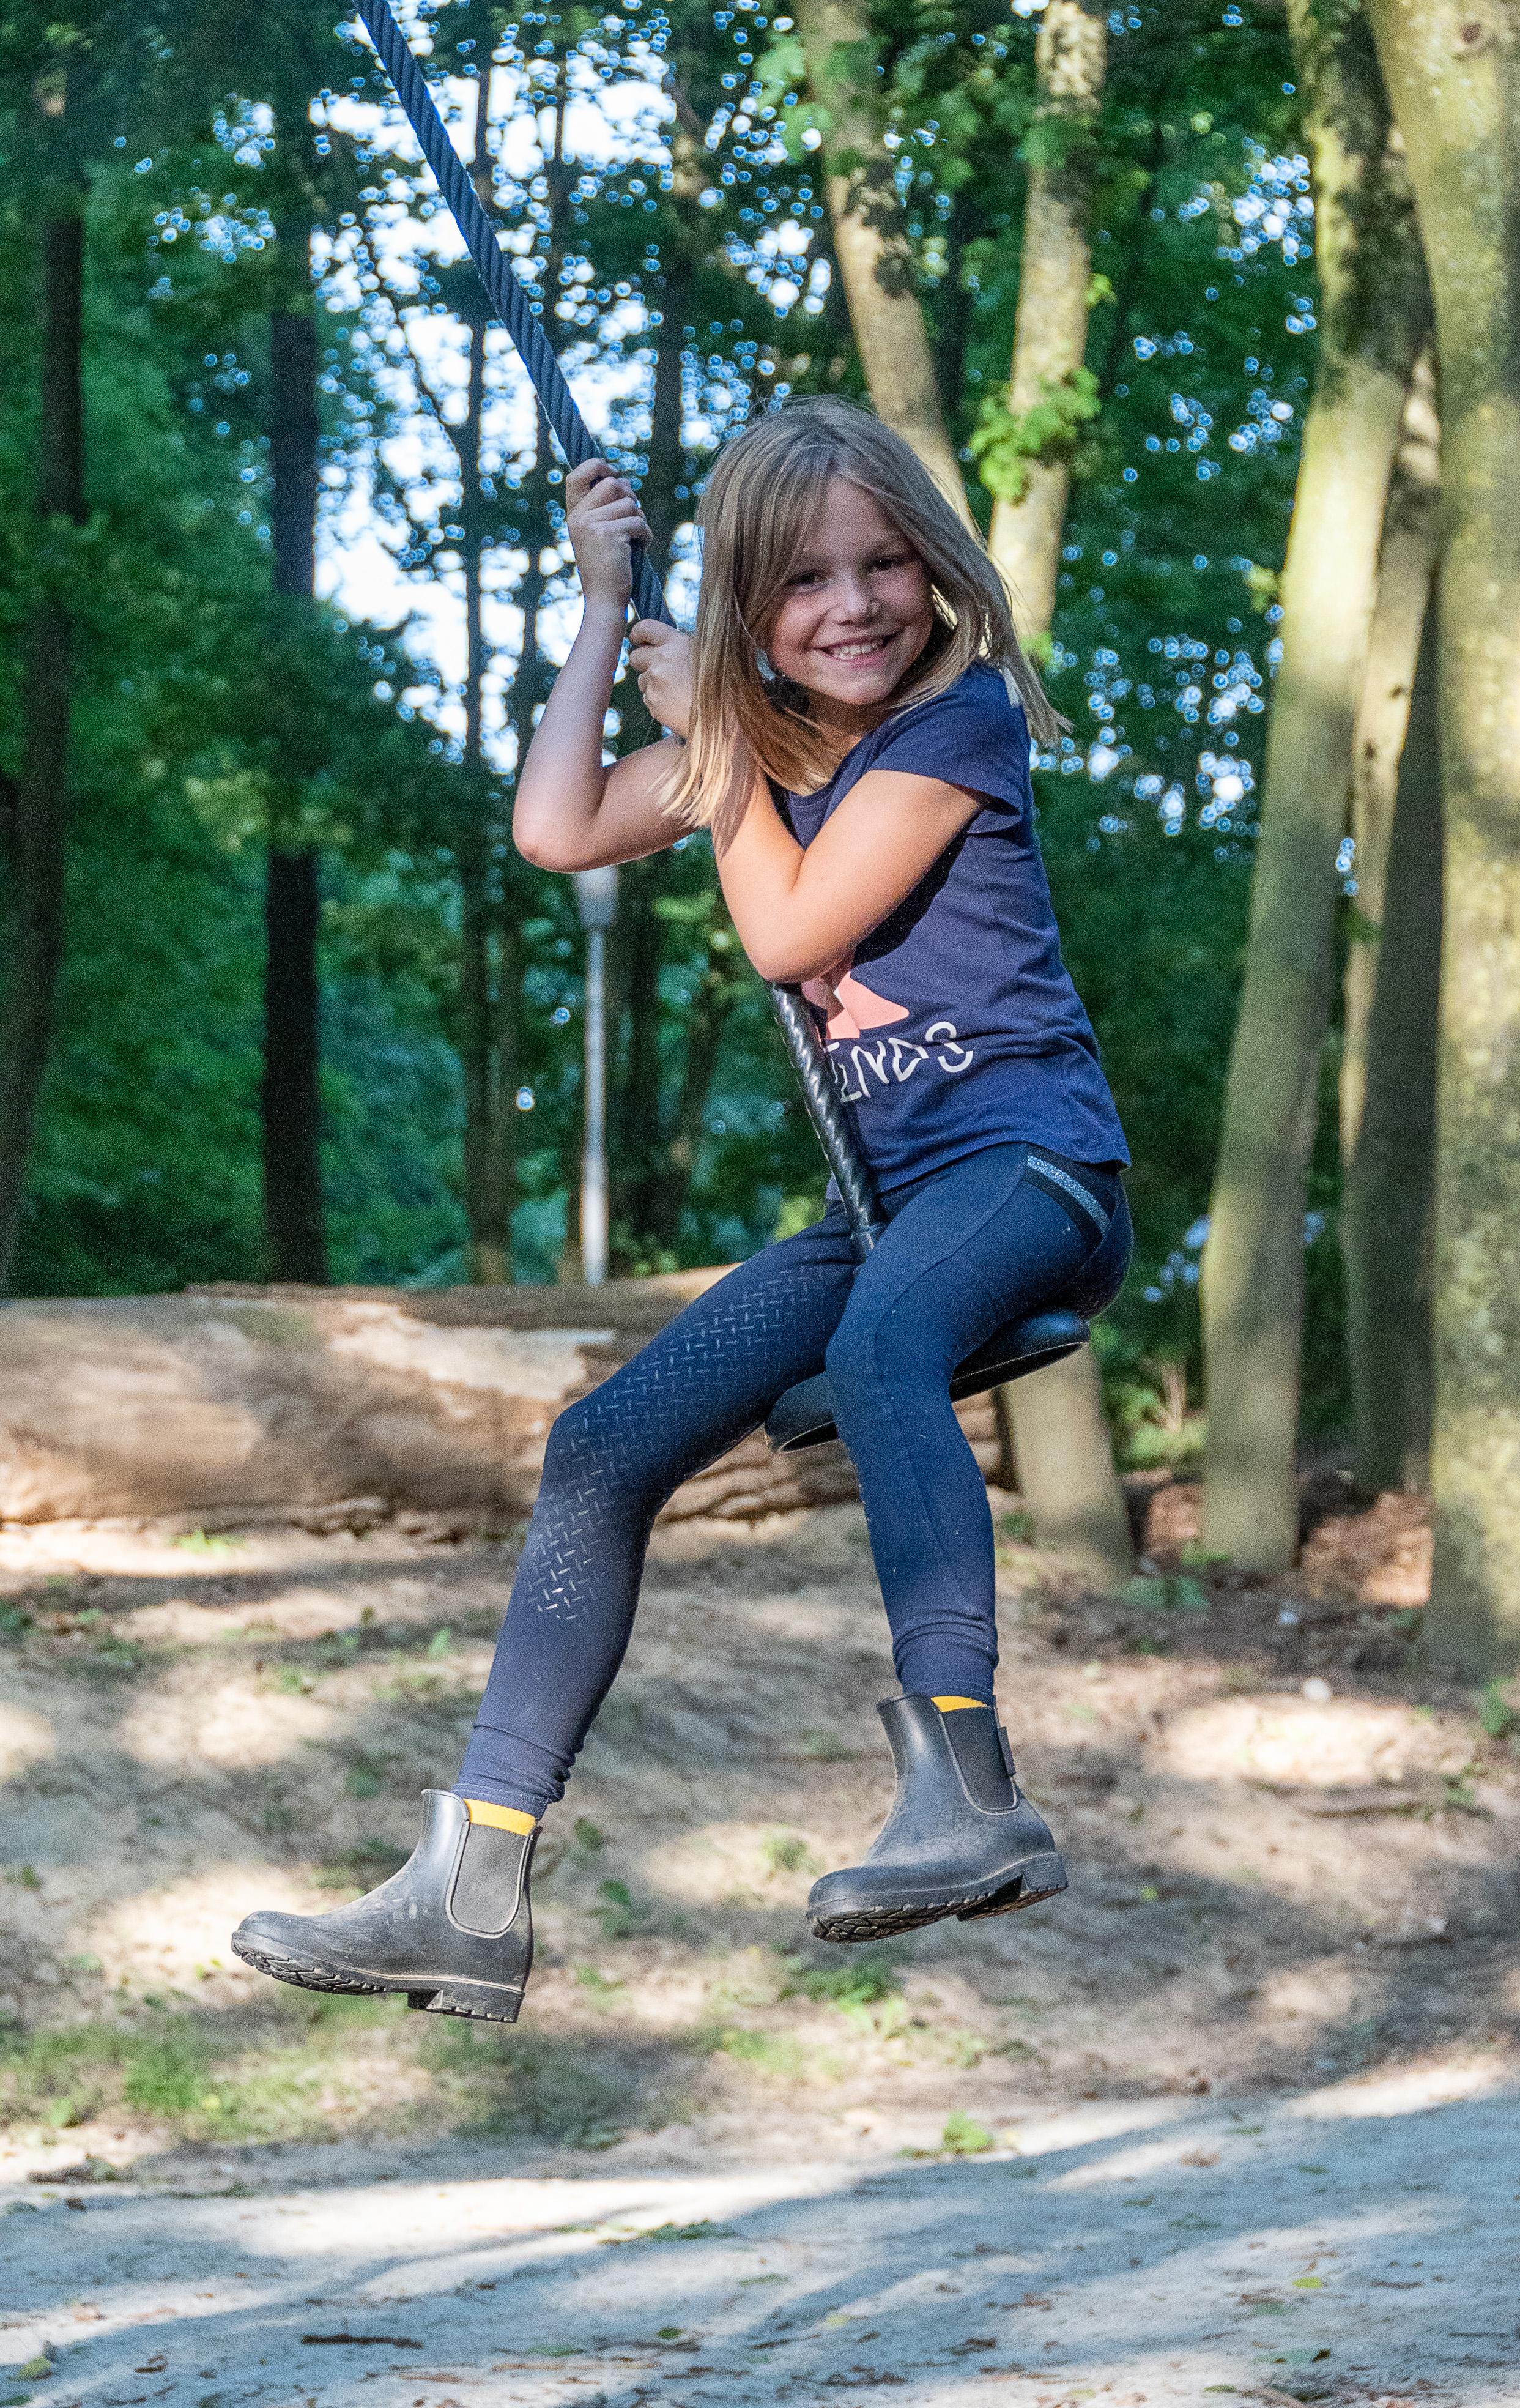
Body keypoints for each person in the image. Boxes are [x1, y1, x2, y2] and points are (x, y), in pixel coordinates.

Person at [232, 399, 1132, 2024]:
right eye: (799, 583)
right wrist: (598, 616)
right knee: (605, 1446)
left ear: (937, 568)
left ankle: (972, 1794)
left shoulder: (961, 727)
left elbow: (789, 935)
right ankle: (473, 1883)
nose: (849, 605)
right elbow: (555, 826)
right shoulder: (762, 753)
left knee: (881, 1351)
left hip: (1032, 1169)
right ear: (745, 611)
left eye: (882, 565)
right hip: (900, 1204)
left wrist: (720, 764)